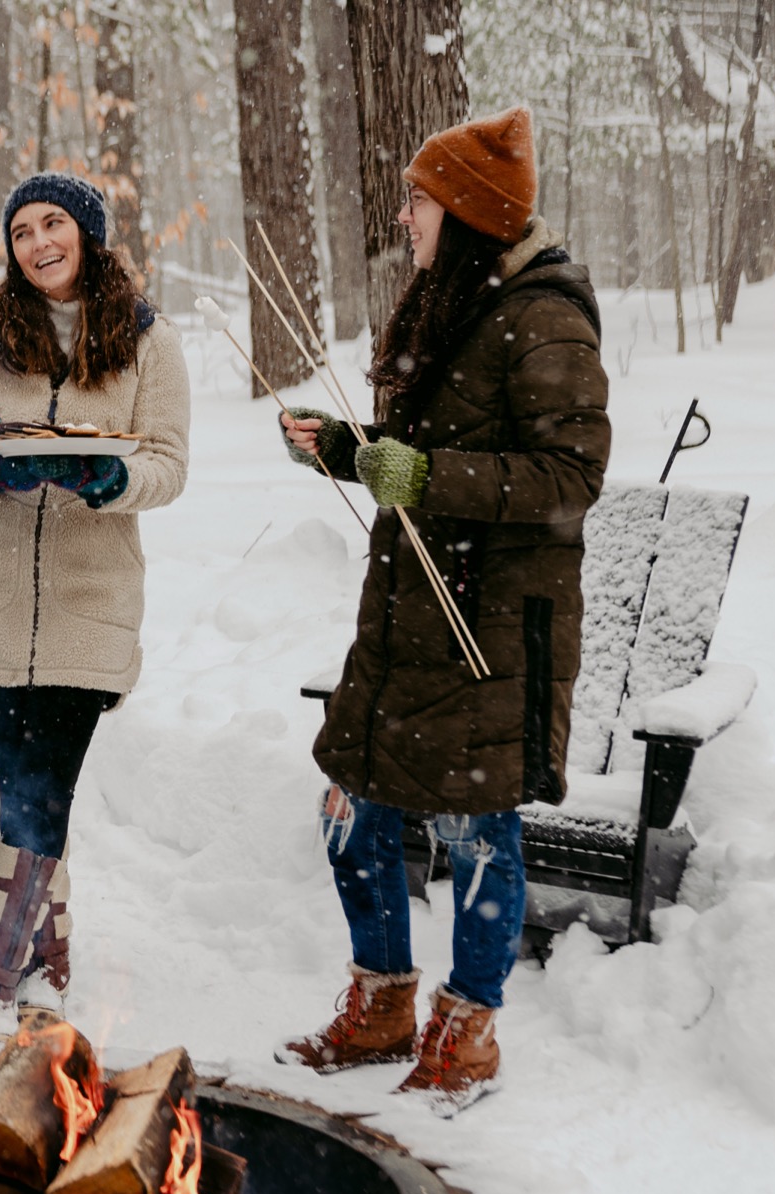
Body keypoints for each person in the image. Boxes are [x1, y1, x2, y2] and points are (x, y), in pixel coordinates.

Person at [274, 107, 610, 1114]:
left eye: (416, 200)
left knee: (474, 827)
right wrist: (349, 450)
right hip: (407, 615)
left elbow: (568, 476)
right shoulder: (449, 299)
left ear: (463, 212)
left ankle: (467, 1033)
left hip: (490, 625)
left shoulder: (543, 314)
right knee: (352, 806)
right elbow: (421, 451)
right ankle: (381, 1004)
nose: (403, 216)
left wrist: (420, 475)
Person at [0, 172, 190, 1044]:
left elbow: (169, 464)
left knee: (40, 794)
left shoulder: (149, 341)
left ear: (88, 233)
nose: (38, 243)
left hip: (88, 600)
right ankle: (46, 966)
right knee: (31, 797)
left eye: (54, 224)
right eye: (22, 230)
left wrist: (113, 479)